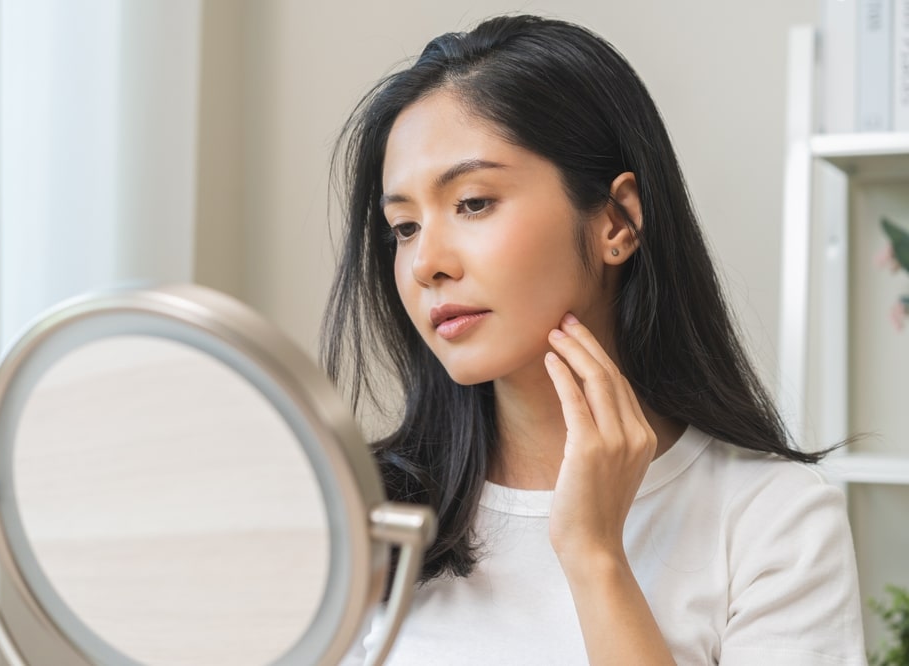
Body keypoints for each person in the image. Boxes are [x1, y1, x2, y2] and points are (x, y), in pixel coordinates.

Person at [322, 14, 865, 665]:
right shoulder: (357, 513)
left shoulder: (773, 522)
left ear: (617, 220)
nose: (424, 264)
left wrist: (594, 555)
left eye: (473, 203)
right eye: (404, 228)